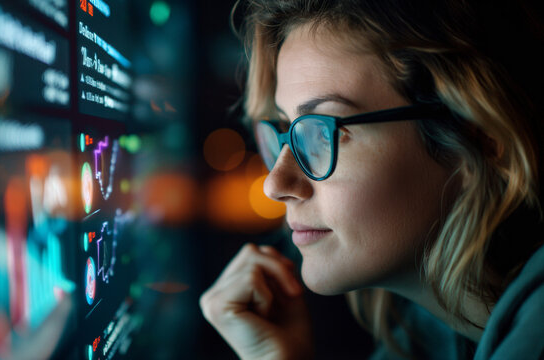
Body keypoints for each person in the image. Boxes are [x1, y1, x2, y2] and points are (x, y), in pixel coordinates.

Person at [199, 0, 544, 358]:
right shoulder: (424, 341)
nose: (275, 184)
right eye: (285, 130)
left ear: (479, 137)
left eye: (323, 132)